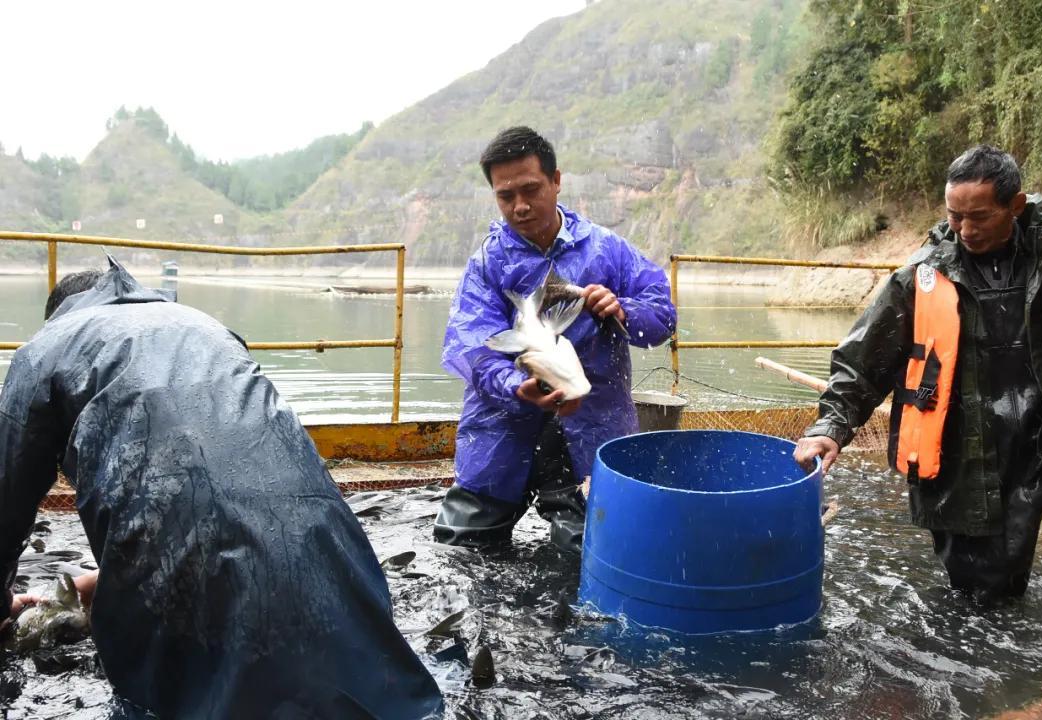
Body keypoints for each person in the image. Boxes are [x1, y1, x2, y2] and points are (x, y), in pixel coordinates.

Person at [0, 259, 444, 719]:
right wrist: (111, 581)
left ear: (58, 314)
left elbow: (5, 499)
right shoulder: (203, 325)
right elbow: (224, 480)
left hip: (188, 600)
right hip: (331, 545)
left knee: (176, 698)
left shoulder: (47, 346)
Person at [794, 145, 1042, 602]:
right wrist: (831, 427)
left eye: (980, 216)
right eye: (954, 215)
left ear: (1016, 206)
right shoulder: (918, 280)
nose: (964, 229)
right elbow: (860, 363)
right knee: (986, 601)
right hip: (966, 463)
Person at [435, 126, 676, 552]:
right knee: (461, 548)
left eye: (531, 190)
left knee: (591, 552)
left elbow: (662, 317)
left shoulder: (609, 250)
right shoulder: (486, 265)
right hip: (502, 427)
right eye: (505, 196)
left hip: (593, 421)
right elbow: (472, 348)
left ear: (557, 180)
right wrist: (516, 387)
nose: (520, 206)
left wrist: (624, 309)